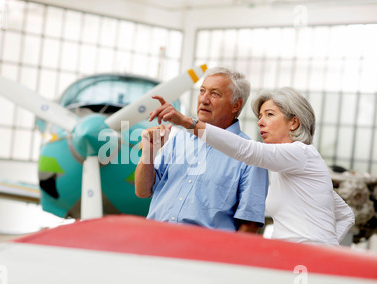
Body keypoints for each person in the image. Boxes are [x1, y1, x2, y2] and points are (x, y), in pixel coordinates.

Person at [149, 86, 355, 245]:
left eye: (270, 114)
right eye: (260, 116)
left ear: (294, 123)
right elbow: (346, 214)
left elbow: (247, 151)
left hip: (306, 263)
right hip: (290, 259)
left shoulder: (302, 154)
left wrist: (188, 123)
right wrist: (328, 246)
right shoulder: (292, 168)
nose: (260, 122)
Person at [135, 67, 269, 233]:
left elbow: (249, 226)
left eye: (214, 94)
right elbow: (142, 191)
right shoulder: (179, 139)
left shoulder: (252, 156)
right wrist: (149, 152)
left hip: (202, 253)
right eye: (202, 91)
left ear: (236, 105)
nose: (203, 100)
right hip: (155, 242)